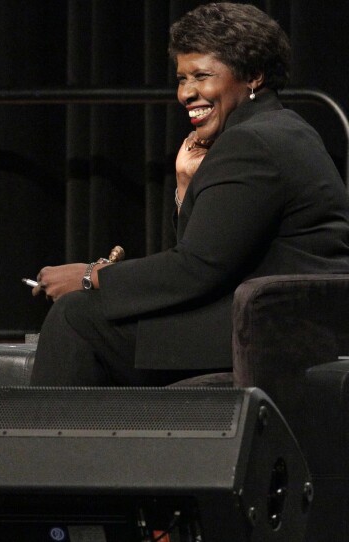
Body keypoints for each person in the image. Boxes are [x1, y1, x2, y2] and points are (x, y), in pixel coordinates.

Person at [29, 2, 349, 387]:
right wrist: (185, 187)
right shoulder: (285, 129)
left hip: (268, 330)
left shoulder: (251, 142)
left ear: (253, 76)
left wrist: (89, 276)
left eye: (202, 76)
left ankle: (54, 447)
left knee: (76, 316)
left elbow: (196, 269)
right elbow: (211, 254)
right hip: (282, 321)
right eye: (182, 78)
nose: (187, 93)